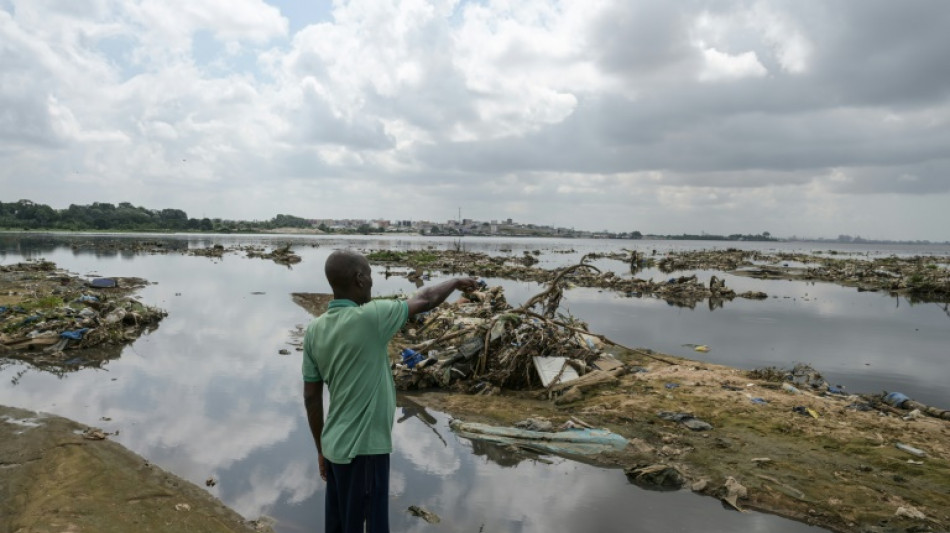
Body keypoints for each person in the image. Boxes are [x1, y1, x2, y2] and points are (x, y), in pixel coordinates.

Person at [302, 250, 477, 533]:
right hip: (364, 450)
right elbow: (425, 298)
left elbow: (311, 397)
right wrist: (456, 281)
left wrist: (321, 449)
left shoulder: (314, 330)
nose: (372, 282)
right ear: (359, 279)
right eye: (369, 275)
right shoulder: (372, 318)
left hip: (333, 447)